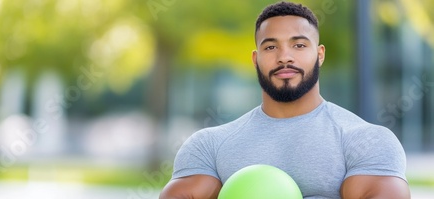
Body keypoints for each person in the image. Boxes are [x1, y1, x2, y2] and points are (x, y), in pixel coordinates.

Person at [159, 1, 410, 199]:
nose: (284, 57)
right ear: (255, 59)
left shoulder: (367, 141)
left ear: (319, 54)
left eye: (299, 45)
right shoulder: (209, 146)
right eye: (271, 47)